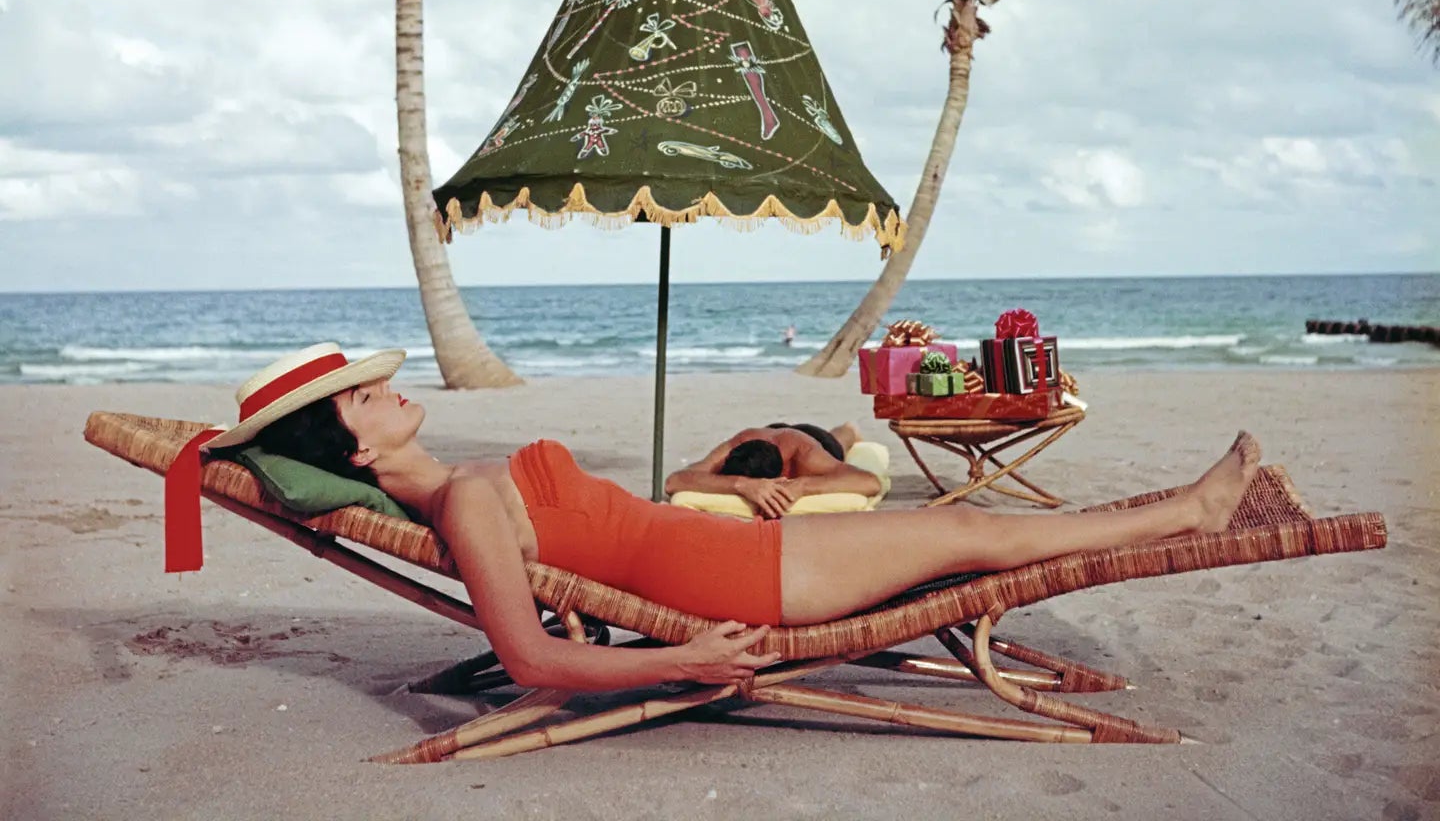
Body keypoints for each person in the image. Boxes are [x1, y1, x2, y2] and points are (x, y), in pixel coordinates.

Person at [180, 344, 1261, 693]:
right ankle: (1193, 512)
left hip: (733, 549)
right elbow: (529, 658)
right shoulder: (463, 499)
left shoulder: (461, 485)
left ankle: (1182, 512)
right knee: (978, 536)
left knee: (974, 535)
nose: (385, 388)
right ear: (359, 452)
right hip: (735, 584)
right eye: (363, 399)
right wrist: (684, 661)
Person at [663, 421, 878, 518]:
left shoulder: (805, 457)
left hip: (812, 438)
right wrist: (741, 485)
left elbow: (870, 482)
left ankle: (849, 428)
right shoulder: (735, 446)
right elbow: (674, 481)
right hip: (769, 432)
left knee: (840, 440)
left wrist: (802, 485)